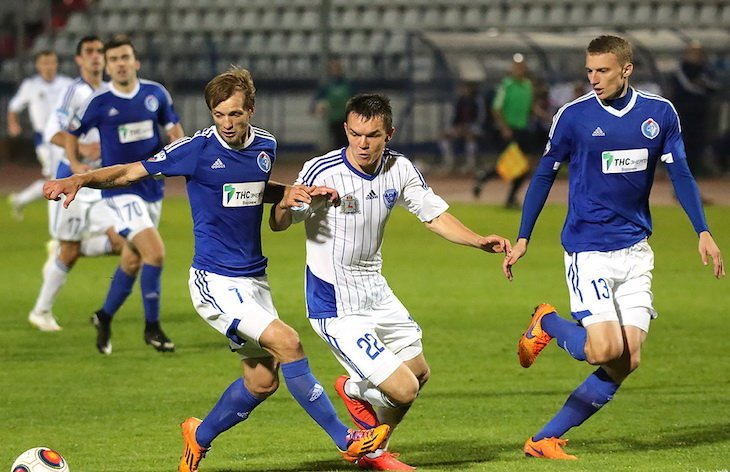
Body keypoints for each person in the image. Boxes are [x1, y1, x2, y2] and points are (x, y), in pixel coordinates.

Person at [44, 66, 390, 472]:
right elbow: (129, 171)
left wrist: (290, 192)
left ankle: (199, 436)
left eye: (235, 114)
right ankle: (346, 439)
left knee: (262, 381)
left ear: (250, 111)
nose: (227, 123)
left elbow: (255, 188)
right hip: (215, 281)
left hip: (254, 278)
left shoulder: (266, 146)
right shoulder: (196, 149)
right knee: (289, 342)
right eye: (219, 114)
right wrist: (81, 179)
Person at [502, 35, 725, 460]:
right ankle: (547, 322)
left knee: (626, 360)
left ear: (626, 69)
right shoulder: (573, 116)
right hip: (589, 250)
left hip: (636, 252)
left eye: (602, 70)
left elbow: (681, 174)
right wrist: (524, 236)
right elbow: (544, 175)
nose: (594, 78)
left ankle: (543, 439)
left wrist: (703, 230)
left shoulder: (659, 114)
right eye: (589, 71)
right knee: (604, 350)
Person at [271, 93, 511, 470]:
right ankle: (358, 402)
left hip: (376, 292)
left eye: (372, 135)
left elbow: (434, 216)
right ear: (346, 130)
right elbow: (279, 223)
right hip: (336, 303)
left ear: (389, 134)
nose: (362, 143)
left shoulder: (399, 168)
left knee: (419, 373)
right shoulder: (321, 170)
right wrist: (286, 202)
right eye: (355, 134)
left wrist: (478, 240)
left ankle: (374, 446)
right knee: (403, 389)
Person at [61, 36, 184, 354]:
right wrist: (75, 164)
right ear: (108, 66)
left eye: (125, 57)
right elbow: (71, 133)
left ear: (136, 62)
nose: (120, 63)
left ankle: (103, 316)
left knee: (132, 259)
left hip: (152, 188)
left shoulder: (155, 94)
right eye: (113, 59)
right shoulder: (99, 101)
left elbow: (173, 128)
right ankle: (152, 328)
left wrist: (178, 148)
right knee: (155, 253)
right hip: (119, 190)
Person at [27, 35, 125, 331]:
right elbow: (53, 132)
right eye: (89, 52)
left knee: (123, 242)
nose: (96, 56)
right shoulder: (73, 92)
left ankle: (65, 249)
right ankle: (41, 311)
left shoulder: (110, 91)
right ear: (80, 59)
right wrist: (81, 149)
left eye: (100, 51)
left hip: (99, 182)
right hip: (71, 182)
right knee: (70, 251)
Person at [7, 50, 73, 220]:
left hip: (65, 137)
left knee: (63, 176)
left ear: (57, 64)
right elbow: (13, 107)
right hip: (44, 140)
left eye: (51, 62)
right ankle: (62, 219)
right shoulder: (30, 86)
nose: (48, 67)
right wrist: (13, 124)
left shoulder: (67, 84)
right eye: (44, 63)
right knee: (55, 178)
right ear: (38, 65)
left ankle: (20, 199)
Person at [473, 53, 535, 208]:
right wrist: (504, 127)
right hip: (510, 130)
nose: (519, 69)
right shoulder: (506, 85)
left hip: (522, 129)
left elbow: (530, 107)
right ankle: (505, 193)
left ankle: (487, 179)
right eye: (516, 66)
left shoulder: (528, 86)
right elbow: (496, 108)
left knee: (523, 166)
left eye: (521, 66)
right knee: (511, 165)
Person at [669, 41, 719, 177]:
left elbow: (715, 87)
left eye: (698, 53)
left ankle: (695, 171)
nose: (695, 56)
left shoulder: (706, 71)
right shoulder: (680, 71)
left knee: (699, 143)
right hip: (684, 112)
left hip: (701, 112)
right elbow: (682, 88)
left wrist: (704, 84)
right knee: (683, 143)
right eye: (692, 53)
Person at [437, 81, 485, 172]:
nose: (465, 91)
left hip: (475, 127)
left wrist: (469, 127)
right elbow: (455, 117)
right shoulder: (460, 101)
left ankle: (471, 164)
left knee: (470, 137)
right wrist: (456, 127)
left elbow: (481, 117)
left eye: (467, 89)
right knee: (444, 136)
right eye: (463, 89)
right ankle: (449, 162)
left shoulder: (477, 100)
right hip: (460, 127)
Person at [311, 58, 354, 151]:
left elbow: (357, 98)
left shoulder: (348, 85)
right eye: (333, 68)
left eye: (337, 68)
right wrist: (316, 107)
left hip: (347, 119)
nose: (335, 70)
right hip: (333, 119)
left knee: (348, 142)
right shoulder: (327, 86)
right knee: (337, 143)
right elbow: (317, 99)